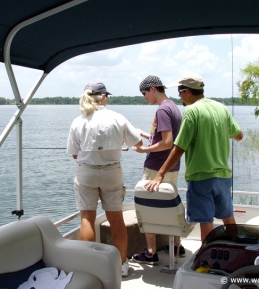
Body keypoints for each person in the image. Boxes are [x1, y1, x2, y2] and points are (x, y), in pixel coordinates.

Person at [145, 72, 243, 242]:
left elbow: (179, 148)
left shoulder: (191, 111)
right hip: (224, 177)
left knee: (205, 222)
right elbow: (239, 135)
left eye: (180, 92)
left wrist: (160, 175)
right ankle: (237, 250)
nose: (179, 96)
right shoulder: (221, 107)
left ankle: (206, 262)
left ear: (188, 92)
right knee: (228, 217)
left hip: (201, 177)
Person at [66, 81, 143, 277]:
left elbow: (74, 154)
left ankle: (91, 267)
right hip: (111, 172)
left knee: (87, 218)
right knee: (116, 219)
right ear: (103, 97)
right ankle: (122, 266)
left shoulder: (78, 121)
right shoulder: (117, 118)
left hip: (87, 173)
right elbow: (138, 141)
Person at [131, 75, 185, 265]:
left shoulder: (162, 110)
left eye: (144, 93)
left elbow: (167, 142)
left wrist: (144, 149)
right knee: (169, 205)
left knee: (148, 208)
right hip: (171, 166)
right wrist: (146, 135)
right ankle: (177, 245)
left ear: (153, 89)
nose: (145, 97)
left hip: (156, 167)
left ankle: (151, 251)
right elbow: (165, 139)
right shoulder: (173, 107)